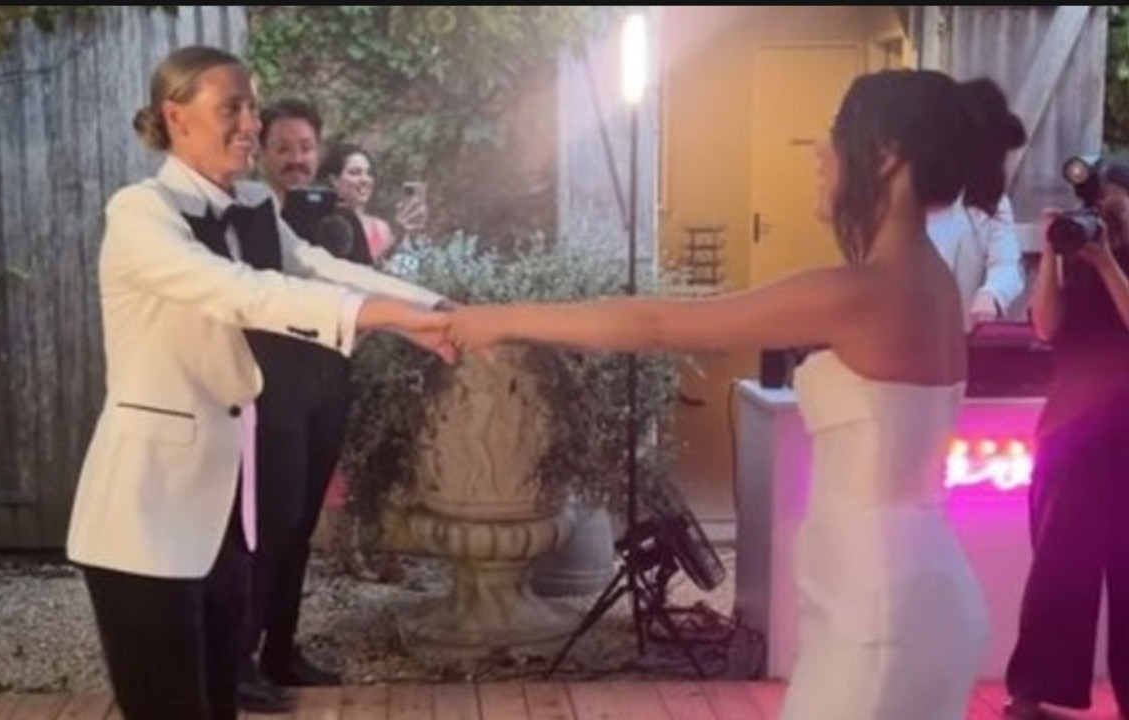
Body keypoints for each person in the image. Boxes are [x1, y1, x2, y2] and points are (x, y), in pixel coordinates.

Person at [447, 69, 1026, 720]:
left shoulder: (867, 291)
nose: (819, 153)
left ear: (887, 155)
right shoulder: (930, 283)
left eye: (837, 134)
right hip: (907, 599)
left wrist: (500, 318)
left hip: (882, 618)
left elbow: (659, 325)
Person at [65, 45, 455, 720]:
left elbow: (318, 267)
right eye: (232, 107)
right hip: (142, 512)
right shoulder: (139, 213)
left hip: (220, 507)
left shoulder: (251, 204)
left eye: (252, 106)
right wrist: (380, 316)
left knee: (219, 706)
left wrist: (433, 309)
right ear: (176, 115)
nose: (250, 123)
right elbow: (242, 292)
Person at [235, 98, 442, 712]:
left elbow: (359, 287)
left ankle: (280, 652)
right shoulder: (247, 214)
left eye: (305, 148)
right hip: (272, 387)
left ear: (317, 151)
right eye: (283, 148)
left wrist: (418, 307)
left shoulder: (340, 218)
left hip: (329, 382)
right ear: (263, 151)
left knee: (300, 527)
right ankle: (238, 660)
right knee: (270, 525)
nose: (296, 159)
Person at [1003, 159, 1129, 720]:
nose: (1106, 216)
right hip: (1071, 430)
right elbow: (1046, 326)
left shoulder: (1104, 259)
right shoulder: (1072, 254)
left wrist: (1106, 263)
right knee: (1058, 567)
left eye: (1117, 206)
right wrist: (1054, 255)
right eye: (1101, 205)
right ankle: (1034, 693)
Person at [926, 192, 1025, 329]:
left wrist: (992, 293)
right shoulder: (894, 204)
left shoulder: (988, 201)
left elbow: (1007, 265)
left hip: (963, 336)